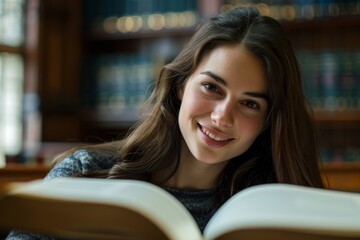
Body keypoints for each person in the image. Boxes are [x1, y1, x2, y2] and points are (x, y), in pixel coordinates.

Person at [7, 7, 324, 240]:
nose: (221, 117)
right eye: (212, 88)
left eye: (250, 104)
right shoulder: (82, 174)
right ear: (180, 86)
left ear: (269, 121)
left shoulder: (275, 209)